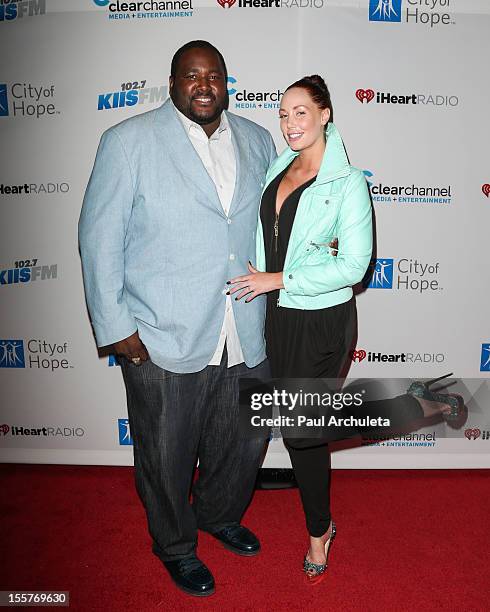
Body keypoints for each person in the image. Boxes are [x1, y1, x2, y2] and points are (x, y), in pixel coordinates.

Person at [228, 75, 465, 585]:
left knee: (301, 429)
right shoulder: (278, 165)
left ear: (325, 114)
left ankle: (322, 530)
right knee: (301, 434)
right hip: (279, 315)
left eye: (300, 113)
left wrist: (280, 278)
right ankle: (423, 404)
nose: (290, 124)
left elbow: (355, 267)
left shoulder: (348, 182)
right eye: (283, 113)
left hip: (322, 321)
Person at [78, 40, 277, 597]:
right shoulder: (128, 141)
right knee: (165, 453)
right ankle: (174, 545)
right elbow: (98, 239)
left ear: (227, 83)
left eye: (214, 75)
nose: (204, 85)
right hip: (161, 333)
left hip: (245, 327)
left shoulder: (259, 141)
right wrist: (117, 328)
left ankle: (218, 515)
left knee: (240, 443)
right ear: (172, 84)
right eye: (191, 76)